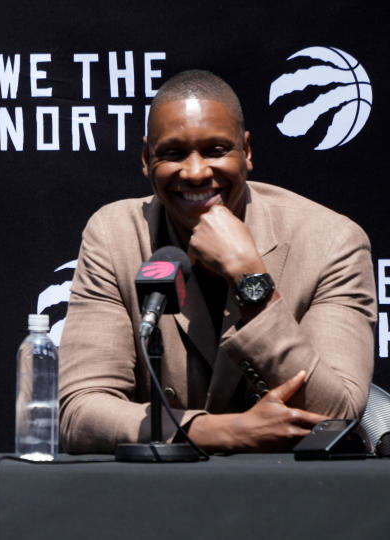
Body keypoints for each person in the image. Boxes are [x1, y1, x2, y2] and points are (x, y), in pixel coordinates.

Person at [58, 70, 375, 453]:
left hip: (290, 496)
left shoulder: (331, 242)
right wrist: (221, 432)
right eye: (173, 153)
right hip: (158, 498)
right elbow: (80, 411)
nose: (195, 172)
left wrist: (251, 280)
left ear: (247, 151)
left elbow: (335, 415)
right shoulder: (115, 235)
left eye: (215, 150)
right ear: (146, 158)